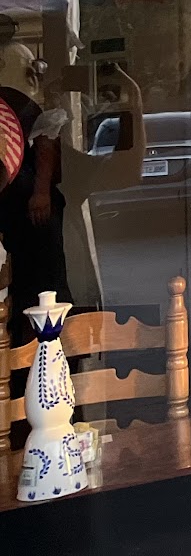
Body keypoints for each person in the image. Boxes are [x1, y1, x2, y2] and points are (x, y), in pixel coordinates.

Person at [0, 18, 70, 339]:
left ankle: (43, 339)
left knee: (40, 279)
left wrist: (40, 191)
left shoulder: (17, 56)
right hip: (17, 193)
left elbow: (45, 134)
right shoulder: (18, 56)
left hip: (27, 197)